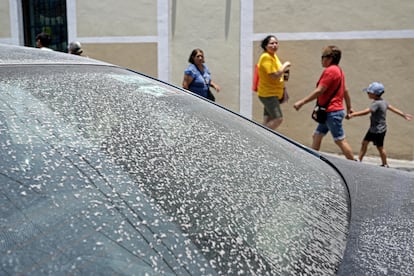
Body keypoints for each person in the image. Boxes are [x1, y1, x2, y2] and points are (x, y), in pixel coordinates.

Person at [293, 45, 355, 160]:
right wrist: (349, 107)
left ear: (329, 58)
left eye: (323, 57)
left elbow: (320, 90)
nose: (321, 60)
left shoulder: (330, 71)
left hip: (332, 112)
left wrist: (302, 102)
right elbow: (345, 90)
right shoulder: (339, 71)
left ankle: (356, 165)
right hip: (329, 112)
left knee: (340, 140)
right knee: (317, 135)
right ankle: (313, 160)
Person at [347, 82, 412, 167]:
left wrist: (353, 115)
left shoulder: (376, 104)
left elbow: (366, 112)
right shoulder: (383, 102)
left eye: (368, 92)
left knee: (379, 147)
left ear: (374, 94)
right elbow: (393, 108)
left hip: (377, 130)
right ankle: (361, 159)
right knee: (365, 143)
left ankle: (384, 164)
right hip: (378, 128)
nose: (367, 94)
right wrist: (403, 115)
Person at [256, 35, 291, 130]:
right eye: (271, 43)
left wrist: (284, 90)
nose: (275, 45)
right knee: (278, 118)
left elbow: (280, 77)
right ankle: (260, 134)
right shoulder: (266, 57)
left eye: (276, 43)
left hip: (274, 93)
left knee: (267, 120)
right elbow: (275, 75)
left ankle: (261, 139)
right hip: (268, 94)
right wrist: (285, 65)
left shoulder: (273, 56)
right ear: (265, 46)